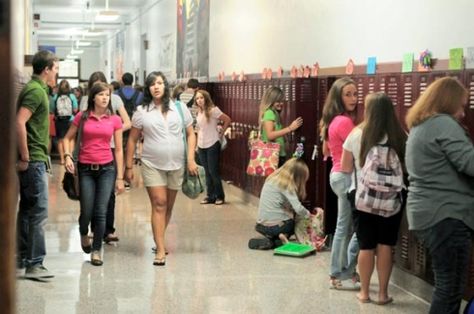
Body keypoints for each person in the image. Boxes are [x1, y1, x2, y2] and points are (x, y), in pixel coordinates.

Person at [405, 77, 474, 314]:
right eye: (462, 105)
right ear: (449, 101)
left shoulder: (421, 126)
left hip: (428, 214)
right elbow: (470, 163)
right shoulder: (443, 124)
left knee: (447, 286)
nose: (464, 113)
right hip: (446, 214)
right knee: (450, 289)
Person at [125, 71, 198, 266]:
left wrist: (191, 159)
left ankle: (160, 239)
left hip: (177, 164)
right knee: (159, 203)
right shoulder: (142, 111)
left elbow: (191, 134)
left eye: (159, 83)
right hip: (152, 163)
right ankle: (159, 249)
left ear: (165, 86)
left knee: (168, 207)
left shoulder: (180, 108)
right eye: (152, 84)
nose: (156, 87)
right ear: (148, 89)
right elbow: (132, 139)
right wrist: (128, 166)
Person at [341, 92, 407, 304]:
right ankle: (382, 295)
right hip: (392, 200)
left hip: (363, 199)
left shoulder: (356, 134)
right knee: (385, 244)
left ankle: (365, 293)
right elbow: (407, 169)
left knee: (366, 245)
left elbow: (345, 167)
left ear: (368, 111)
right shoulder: (400, 135)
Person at [63, 82, 125, 266]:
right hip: (85, 169)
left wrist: (120, 177)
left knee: (100, 211)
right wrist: (67, 156)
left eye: (107, 95)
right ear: (93, 97)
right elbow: (67, 138)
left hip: (107, 169)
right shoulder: (82, 117)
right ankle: (83, 232)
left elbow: (119, 150)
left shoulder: (115, 120)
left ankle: (97, 249)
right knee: (87, 211)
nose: (105, 98)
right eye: (101, 95)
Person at [16, 50, 59, 279]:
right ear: (47, 69)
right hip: (33, 159)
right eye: (56, 70)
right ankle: (35, 263)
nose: (56, 75)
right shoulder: (35, 91)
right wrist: (25, 157)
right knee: (38, 213)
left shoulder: (38, 90)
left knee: (27, 210)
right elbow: (19, 122)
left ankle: (22, 257)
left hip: (34, 159)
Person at [318, 77, 359, 290]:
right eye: (348, 94)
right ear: (338, 97)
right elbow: (359, 149)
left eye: (355, 93)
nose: (353, 98)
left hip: (337, 175)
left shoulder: (332, 120)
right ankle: (339, 271)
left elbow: (326, 151)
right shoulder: (344, 122)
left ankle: (344, 270)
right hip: (344, 176)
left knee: (346, 226)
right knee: (348, 227)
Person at [80, 71, 131, 243]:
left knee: (109, 194)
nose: (103, 95)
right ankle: (94, 229)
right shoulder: (85, 101)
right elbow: (81, 125)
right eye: (96, 88)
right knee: (91, 196)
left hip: (110, 151)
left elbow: (127, 122)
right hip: (89, 153)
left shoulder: (114, 99)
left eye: (103, 87)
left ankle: (108, 229)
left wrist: (112, 131)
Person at [248, 157, 311, 249]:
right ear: (297, 176)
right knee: (295, 221)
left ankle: (271, 241)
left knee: (284, 219)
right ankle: (280, 238)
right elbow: (298, 208)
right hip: (278, 227)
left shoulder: (272, 178)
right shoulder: (287, 184)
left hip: (261, 226)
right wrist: (308, 215)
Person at [195, 89, 231, 205]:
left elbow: (227, 119)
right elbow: (199, 129)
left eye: (201, 98)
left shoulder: (213, 110)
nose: (199, 100)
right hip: (202, 144)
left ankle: (220, 196)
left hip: (212, 143)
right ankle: (210, 196)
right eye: (197, 98)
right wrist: (196, 145)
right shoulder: (198, 112)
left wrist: (221, 133)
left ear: (206, 98)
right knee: (206, 171)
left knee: (213, 171)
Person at [259, 86, 303, 167]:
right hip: (274, 155)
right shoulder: (269, 113)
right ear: (271, 101)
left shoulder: (275, 113)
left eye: (281, 101)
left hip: (278, 154)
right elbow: (270, 135)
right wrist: (290, 128)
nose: (281, 104)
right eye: (277, 101)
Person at [51, 79, 78, 164]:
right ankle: (69, 157)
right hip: (71, 120)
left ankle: (62, 159)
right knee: (71, 138)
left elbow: (52, 109)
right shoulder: (72, 96)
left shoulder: (55, 97)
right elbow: (75, 109)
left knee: (60, 139)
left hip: (59, 120)